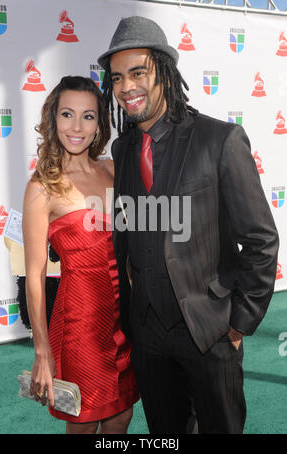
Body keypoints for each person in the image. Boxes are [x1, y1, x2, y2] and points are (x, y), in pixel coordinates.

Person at [97, 16, 279, 434]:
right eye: (118, 78)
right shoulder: (123, 149)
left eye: (138, 72)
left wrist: (236, 325)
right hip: (147, 334)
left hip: (210, 328)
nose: (126, 88)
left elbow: (260, 240)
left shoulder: (220, 139)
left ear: (164, 70)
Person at [22, 76, 139, 434]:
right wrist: (42, 350)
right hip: (81, 324)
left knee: (121, 414)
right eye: (67, 114)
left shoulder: (114, 170)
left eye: (88, 117)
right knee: (84, 420)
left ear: (100, 123)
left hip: (127, 316)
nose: (76, 127)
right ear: (53, 119)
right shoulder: (42, 187)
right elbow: (35, 274)